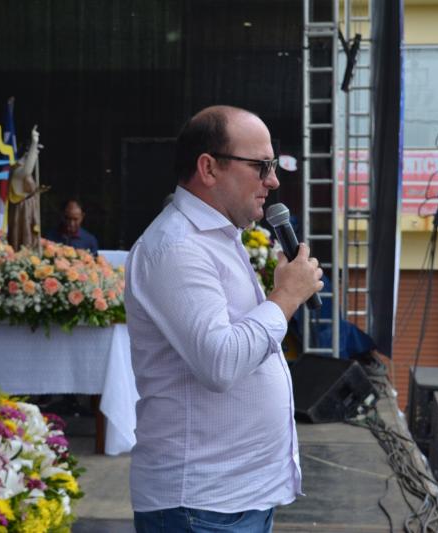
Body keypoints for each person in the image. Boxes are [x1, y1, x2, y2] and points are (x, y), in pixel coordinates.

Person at [125, 105, 323, 532]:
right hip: (201, 506)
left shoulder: (217, 239)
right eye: (261, 166)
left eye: (273, 165)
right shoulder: (177, 247)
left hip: (233, 497)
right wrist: (286, 296)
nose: (273, 180)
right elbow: (221, 361)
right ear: (209, 168)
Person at [7, 126, 43, 250]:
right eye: (35, 152)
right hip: (23, 212)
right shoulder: (17, 170)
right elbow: (28, 169)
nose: (37, 155)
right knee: (24, 242)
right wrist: (34, 143)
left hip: (31, 210)